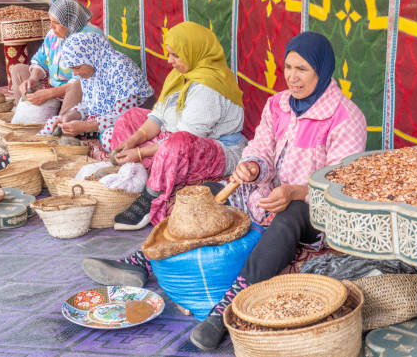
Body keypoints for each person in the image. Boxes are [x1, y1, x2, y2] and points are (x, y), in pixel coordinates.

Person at [80, 31, 367, 350]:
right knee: (202, 195)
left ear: (322, 70)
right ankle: (140, 260)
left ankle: (225, 310)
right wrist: (254, 166)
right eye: (288, 67)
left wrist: (296, 193)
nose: (292, 77)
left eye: (303, 70)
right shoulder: (278, 104)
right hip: (267, 193)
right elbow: (261, 147)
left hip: (316, 211)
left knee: (289, 217)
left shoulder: (345, 116)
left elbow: (339, 182)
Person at [103, 21, 246, 230]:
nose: (169, 60)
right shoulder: (180, 75)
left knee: (177, 143)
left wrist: (141, 154)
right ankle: (142, 171)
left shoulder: (209, 86)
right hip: (172, 140)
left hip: (216, 150)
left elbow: (185, 137)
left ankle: (151, 196)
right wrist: (132, 142)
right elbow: (158, 118)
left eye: (175, 55)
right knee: (131, 116)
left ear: (194, 52)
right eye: (169, 54)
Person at [39, 31, 154, 151]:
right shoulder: (90, 71)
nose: (75, 73)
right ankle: (42, 149)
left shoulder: (119, 68)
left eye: (77, 68)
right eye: (72, 68)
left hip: (132, 123)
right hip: (99, 121)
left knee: (110, 137)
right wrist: (70, 116)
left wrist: (86, 126)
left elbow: (123, 116)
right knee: (54, 123)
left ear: (90, 56)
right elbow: (89, 105)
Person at [10, 0, 103, 115]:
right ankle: (26, 116)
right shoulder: (53, 35)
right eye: (50, 22)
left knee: (77, 86)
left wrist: (49, 94)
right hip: (54, 87)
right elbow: (40, 59)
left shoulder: (89, 36)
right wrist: (33, 79)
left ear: (70, 22)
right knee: (18, 70)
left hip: (78, 94)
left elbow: (85, 80)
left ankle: (61, 125)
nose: (51, 27)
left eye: (56, 23)